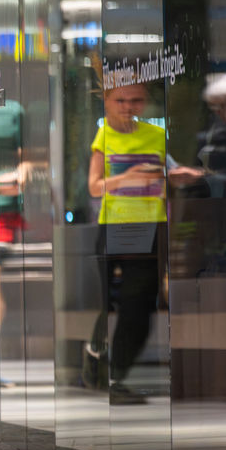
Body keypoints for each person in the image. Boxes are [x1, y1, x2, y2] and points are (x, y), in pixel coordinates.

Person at [83, 82, 177, 403]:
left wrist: (178, 177)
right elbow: (94, 186)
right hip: (115, 227)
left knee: (138, 306)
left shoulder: (156, 135)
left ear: (145, 101)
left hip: (150, 227)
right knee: (111, 303)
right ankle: (99, 360)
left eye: (135, 100)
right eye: (120, 100)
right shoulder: (104, 136)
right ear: (107, 101)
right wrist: (127, 178)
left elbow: (169, 175)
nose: (127, 107)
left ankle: (117, 376)